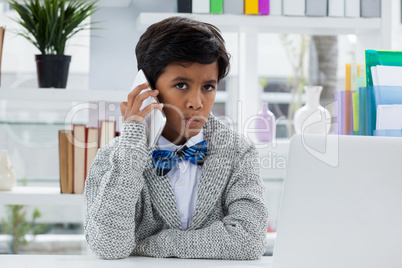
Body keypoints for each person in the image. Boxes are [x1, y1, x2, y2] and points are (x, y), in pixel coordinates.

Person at [84, 16, 268, 260]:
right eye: (181, 85)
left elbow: (249, 241)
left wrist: (158, 244)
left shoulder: (239, 152)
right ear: (148, 87)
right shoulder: (113, 158)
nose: (197, 103)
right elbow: (109, 246)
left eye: (208, 87)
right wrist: (131, 148)